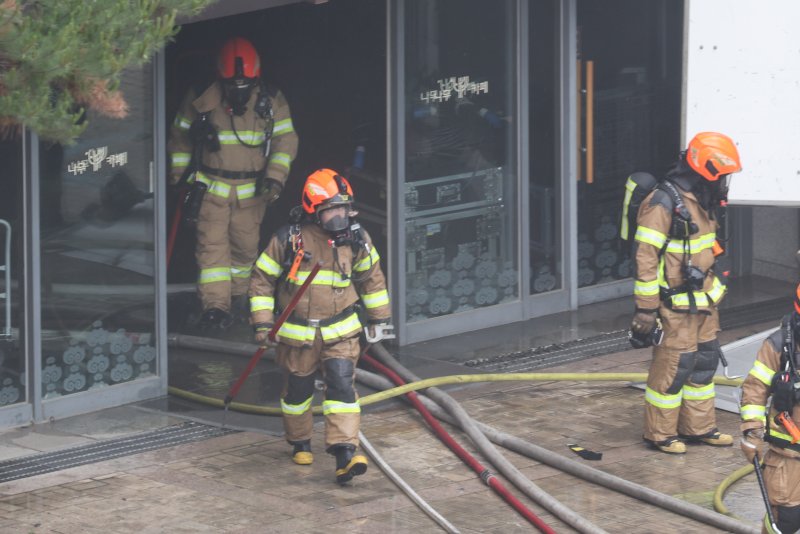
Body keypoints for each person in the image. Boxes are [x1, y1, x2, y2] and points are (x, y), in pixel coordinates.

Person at [248, 168, 393, 484]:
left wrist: (380, 319)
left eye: (343, 208)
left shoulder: (357, 240)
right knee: (298, 393)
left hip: (341, 332)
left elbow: (373, 279)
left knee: (342, 386)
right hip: (298, 335)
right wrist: (262, 322)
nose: (340, 215)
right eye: (331, 210)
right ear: (314, 210)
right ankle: (299, 440)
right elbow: (261, 280)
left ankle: (345, 454)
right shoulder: (289, 239)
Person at [167, 37, 298, 329]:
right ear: (220, 78)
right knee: (212, 251)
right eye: (232, 85)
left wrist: (275, 179)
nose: (238, 91)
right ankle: (215, 308)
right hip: (211, 189)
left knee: (245, 251)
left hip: (252, 194)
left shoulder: (271, 101)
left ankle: (239, 300)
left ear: (256, 79)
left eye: (244, 85)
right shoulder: (202, 99)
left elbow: (285, 141)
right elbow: (179, 138)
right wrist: (179, 179)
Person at [631, 131, 742, 454]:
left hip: (704, 300)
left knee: (703, 363)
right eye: (721, 174)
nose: (724, 180)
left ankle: (699, 428)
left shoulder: (703, 197)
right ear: (704, 168)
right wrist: (645, 308)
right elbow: (646, 256)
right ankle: (660, 433)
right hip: (674, 303)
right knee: (674, 366)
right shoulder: (663, 202)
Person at [740, 284, 800, 534]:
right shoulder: (778, 346)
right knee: (785, 519)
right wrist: (752, 431)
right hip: (788, 453)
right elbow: (755, 388)